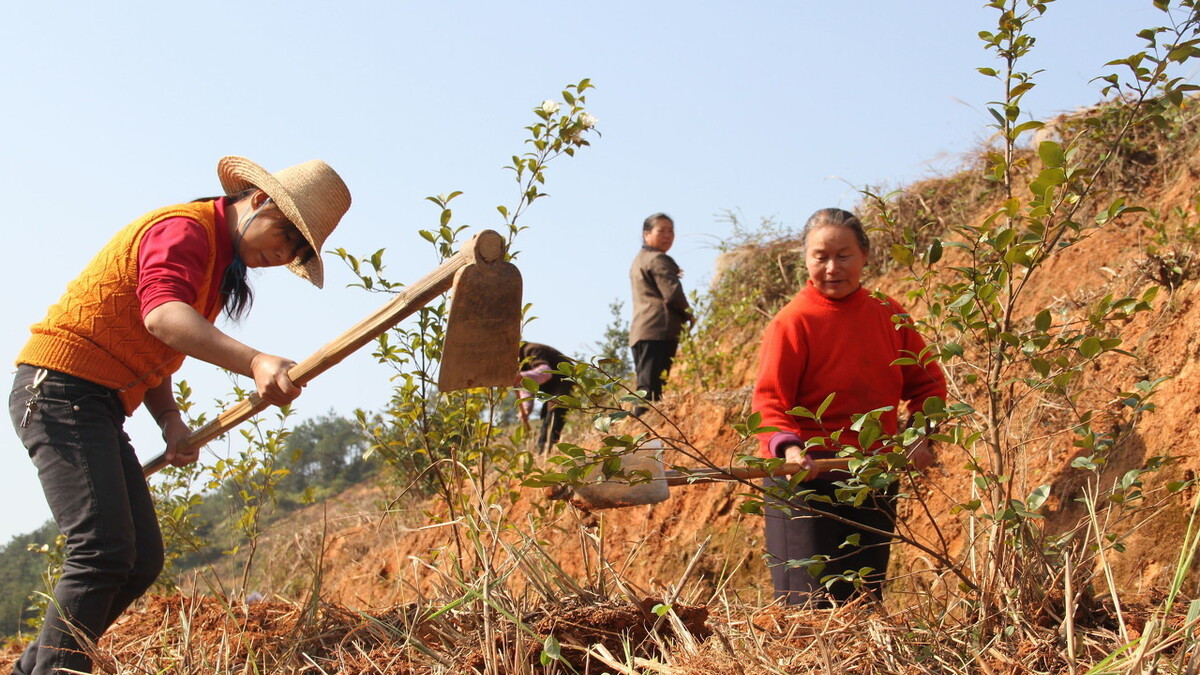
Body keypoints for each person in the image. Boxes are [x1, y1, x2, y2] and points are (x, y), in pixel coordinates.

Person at [7, 156, 351, 675]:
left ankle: (37, 668)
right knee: (100, 551)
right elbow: (164, 317)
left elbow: (157, 348)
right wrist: (256, 360)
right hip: (60, 390)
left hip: (96, 404)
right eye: (286, 238)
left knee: (140, 559)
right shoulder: (185, 230)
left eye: (296, 254)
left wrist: (170, 420)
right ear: (259, 200)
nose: (282, 256)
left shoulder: (215, 265)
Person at [752, 207, 946, 607]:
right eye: (820, 256)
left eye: (844, 255)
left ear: (866, 255)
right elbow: (770, 401)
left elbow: (927, 383)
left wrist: (917, 435)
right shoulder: (793, 322)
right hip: (805, 480)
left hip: (872, 476)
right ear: (805, 259)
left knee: (861, 602)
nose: (831, 267)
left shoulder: (889, 314)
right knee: (811, 608)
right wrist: (789, 449)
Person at [628, 212, 691, 417]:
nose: (667, 235)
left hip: (642, 331)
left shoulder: (640, 259)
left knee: (645, 385)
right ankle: (643, 438)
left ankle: (641, 433)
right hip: (659, 329)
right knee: (650, 391)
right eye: (661, 230)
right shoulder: (658, 259)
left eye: (671, 230)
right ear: (646, 234)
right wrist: (689, 314)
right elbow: (672, 293)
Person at [515, 342, 575, 453]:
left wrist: (520, 376)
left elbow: (545, 372)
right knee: (545, 418)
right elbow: (527, 387)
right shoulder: (519, 361)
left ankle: (547, 451)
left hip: (566, 382)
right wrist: (526, 410)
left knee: (553, 418)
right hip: (553, 391)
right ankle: (543, 452)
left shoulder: (531, 350)